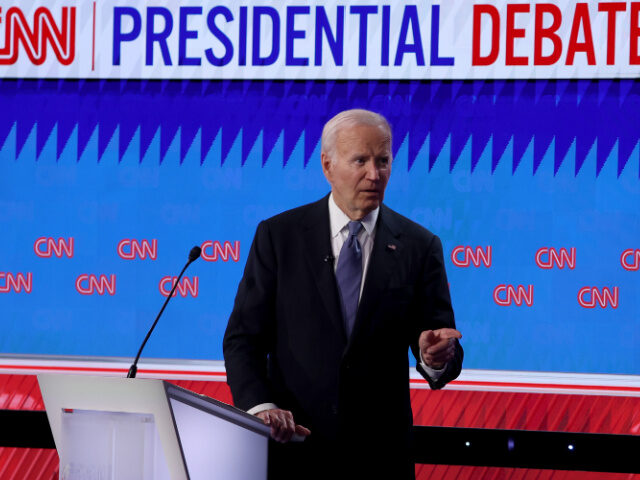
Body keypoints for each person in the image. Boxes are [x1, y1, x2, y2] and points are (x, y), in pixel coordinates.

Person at [223, 109, 463, 479]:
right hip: (295, 452)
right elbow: (243, 339)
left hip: (380, 459)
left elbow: (438, 343)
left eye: (383, 161)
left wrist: (436, 357)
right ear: (327, 165)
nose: (374, 174)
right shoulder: (279, 237)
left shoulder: (419, 245)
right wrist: (261, 407)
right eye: (361, 161)